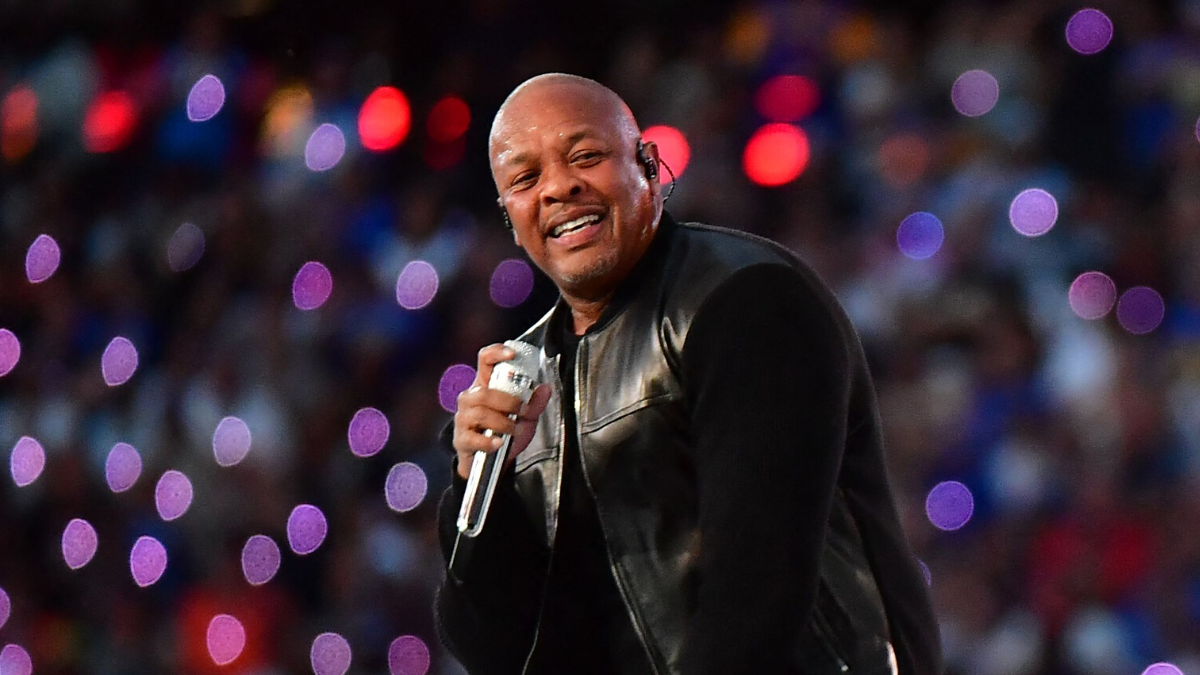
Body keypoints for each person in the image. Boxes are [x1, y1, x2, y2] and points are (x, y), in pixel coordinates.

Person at [433, 72, 943, 675]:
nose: (558, 187)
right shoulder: (519, 379)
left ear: (648, 167)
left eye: (586, 156)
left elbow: (758, 586)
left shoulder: (745, 300)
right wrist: (479, 484)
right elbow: (491, 646)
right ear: (511, 220)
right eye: (525, 179)